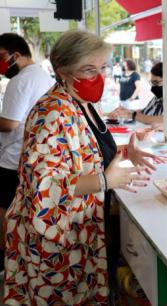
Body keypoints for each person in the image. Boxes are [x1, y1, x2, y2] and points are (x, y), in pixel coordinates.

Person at [3, 30, 157, 305]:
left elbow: (80, 152)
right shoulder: (53, 112)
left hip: (80, 229)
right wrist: (103, 181)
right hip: (55, 239)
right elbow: (41, 185)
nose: (98, 77)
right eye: (88, 69)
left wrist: (122, 152)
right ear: (62, 70)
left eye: (102, 68)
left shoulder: (82, 103)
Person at [0, 33, 55, 271]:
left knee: (6, 212)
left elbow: (10, 123)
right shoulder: (42, 75)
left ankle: (7, 261)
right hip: (31, 155)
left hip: (12, 158)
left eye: (1, 56)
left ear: (16, 54)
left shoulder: (20, 80)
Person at [109, 62, 167, 137]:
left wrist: (132, 115)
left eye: (156, 82)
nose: (153, 86)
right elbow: (144, 112)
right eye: (152, 82)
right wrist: (125, 111)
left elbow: (164, 119)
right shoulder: (158, 97)